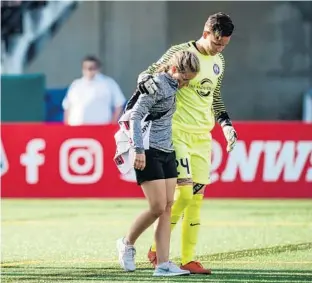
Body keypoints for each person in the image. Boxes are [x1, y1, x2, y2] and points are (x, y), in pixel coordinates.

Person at [139, 12, 238, 274]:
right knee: (183, 194)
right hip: (176, 133)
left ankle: (188, 258)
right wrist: (144, 100)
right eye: (217, 43)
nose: (220, 48)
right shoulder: (180, 53)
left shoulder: (220, 61)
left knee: (195, 199)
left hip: (202, 137)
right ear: (206, 33)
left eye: (224, 45)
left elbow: (214, 96)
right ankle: (156, 249)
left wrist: (226, 125)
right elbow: (148, 75)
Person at [116, 50, 200, 276]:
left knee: (168, 206)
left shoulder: (172, 86)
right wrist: (138, 149)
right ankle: (126, 243)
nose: (185, 84)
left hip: (167, 150)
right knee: (157, 207)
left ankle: (163, 264)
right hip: (148, 150)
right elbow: (135, 115)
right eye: (184, 79)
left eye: (189, 81)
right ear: (174, 70)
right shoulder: (157, 85)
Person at [62, 55, 126, 126]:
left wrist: (112, 125)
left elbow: (119, 105)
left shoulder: (109, 83)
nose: (89, 70)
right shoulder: (76, 84)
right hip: (77, 127)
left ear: (98, 68)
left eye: (92, 68)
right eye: (85, 68)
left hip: (101, 127)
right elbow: (67, 106)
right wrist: (66, 127)